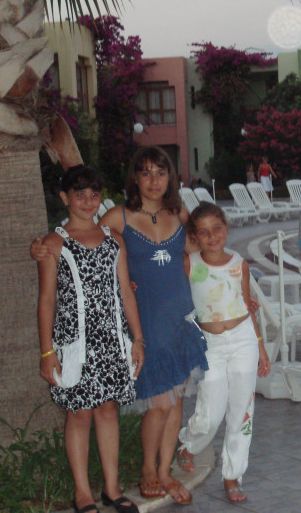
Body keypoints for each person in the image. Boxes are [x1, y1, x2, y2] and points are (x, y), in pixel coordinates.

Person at [32, 147, 208, 505]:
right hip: (126, 326)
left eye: (161, 172)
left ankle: (150, 475)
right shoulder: (114, 219)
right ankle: (140, 473)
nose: (154, 180)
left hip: (167, 321)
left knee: (168, 403)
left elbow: (202, 245)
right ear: (135, 179)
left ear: (170, 178)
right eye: (146, 172)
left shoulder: (176, 214)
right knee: (146, 406)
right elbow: (73, 250)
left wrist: (236, 286)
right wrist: (39, 248)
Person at [36, 165, 144, 513]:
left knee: (108, 409)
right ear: (65, 198)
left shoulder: (114, 240)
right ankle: (82, 492)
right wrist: (47, 352)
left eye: (94, 194)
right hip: (75, 344)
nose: (87, 201)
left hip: (112, 341)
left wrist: (138, 339)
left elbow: (125, 291)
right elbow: (47, 299)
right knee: (79, 413)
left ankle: (112, 488)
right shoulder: (54, 244)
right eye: (79, 194)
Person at [176, 202, 271, 503]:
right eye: (203, 232)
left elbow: (247, 305)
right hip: (210, 346)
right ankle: (189, 443)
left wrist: (260, 346)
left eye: (217, 229)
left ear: (226, 229)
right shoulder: (189, 264)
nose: (212, 236)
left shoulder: (239, 263)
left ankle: (233, 475)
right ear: (194, 236)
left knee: (242, 410)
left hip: (243, 340)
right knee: (211, 411)